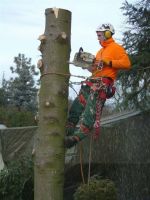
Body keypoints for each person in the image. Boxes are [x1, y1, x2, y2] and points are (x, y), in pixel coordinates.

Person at [65, 23, 131, 148]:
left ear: (107, 34)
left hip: (102, 84)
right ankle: (67, 130)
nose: (98, 38)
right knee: (76, 106)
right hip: (92, 82)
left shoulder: (116, 48)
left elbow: (126, 63)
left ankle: (76, 138)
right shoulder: (100, 51)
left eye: (100, 35)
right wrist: (85, 66)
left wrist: (109, 62)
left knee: (90, 112)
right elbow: (96, 70)